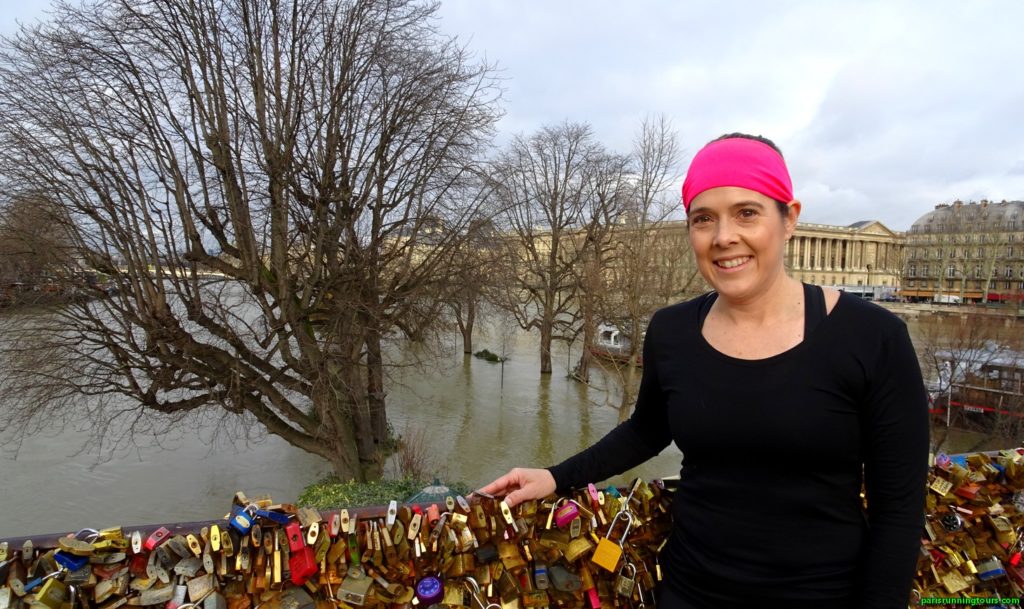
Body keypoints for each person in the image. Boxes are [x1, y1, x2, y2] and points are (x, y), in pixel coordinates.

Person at [480, 133, 929, 608]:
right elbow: (647, 430)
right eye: (703, 219)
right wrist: (555, 476)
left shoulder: (872, 337)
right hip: (691, 590)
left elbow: (897, 509)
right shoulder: (672, 331)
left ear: (789, 218)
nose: (723, 237)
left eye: (747, 213)